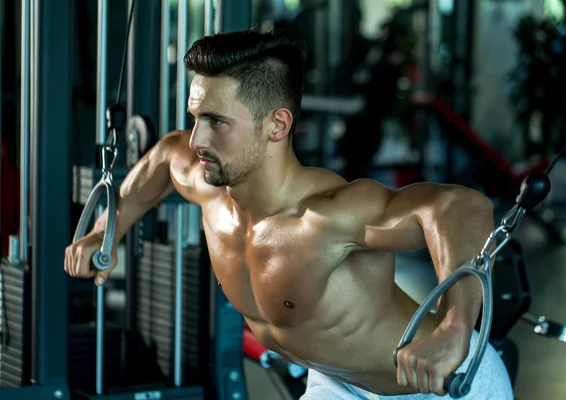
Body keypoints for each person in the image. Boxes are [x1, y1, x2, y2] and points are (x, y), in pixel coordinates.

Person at [64, 29, 513, 399]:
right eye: (196, 117)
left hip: (444, 386)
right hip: (336, 383)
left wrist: (455, 329)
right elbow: (163, 159)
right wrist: (106, 230)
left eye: (217, 122)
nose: (197, 139)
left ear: (277, 125)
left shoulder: (327, 218)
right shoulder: (207, 184)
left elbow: (461, 205)